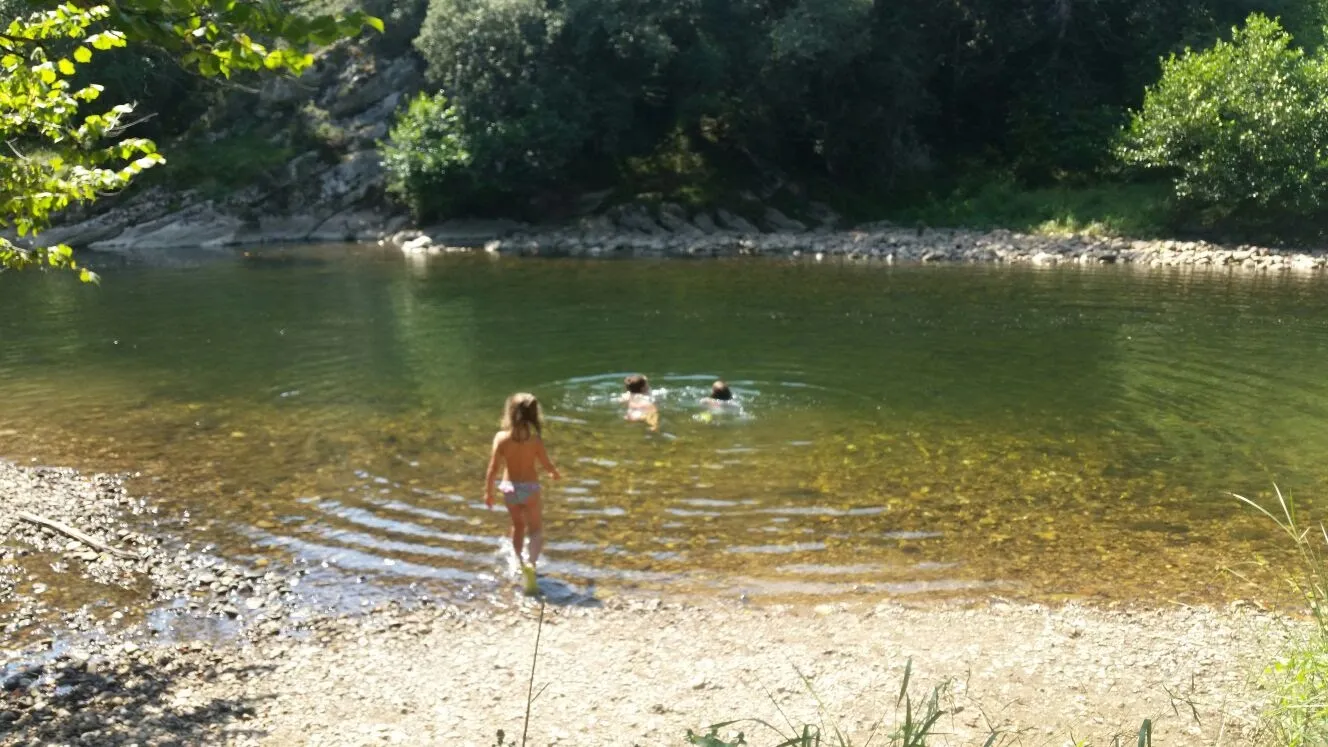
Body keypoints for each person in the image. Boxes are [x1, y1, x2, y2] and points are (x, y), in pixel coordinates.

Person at [484, 392, 561, 594]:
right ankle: (531, 566)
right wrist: (554, 472)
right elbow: (546, 463)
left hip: (510, 489)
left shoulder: (501, 439)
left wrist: (488, 493)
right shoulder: (535, 441)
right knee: (535, 530)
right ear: (534, 415)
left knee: (517, 526)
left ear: (510, 413)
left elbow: (492, 469)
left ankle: (518, 562)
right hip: (530, 489)